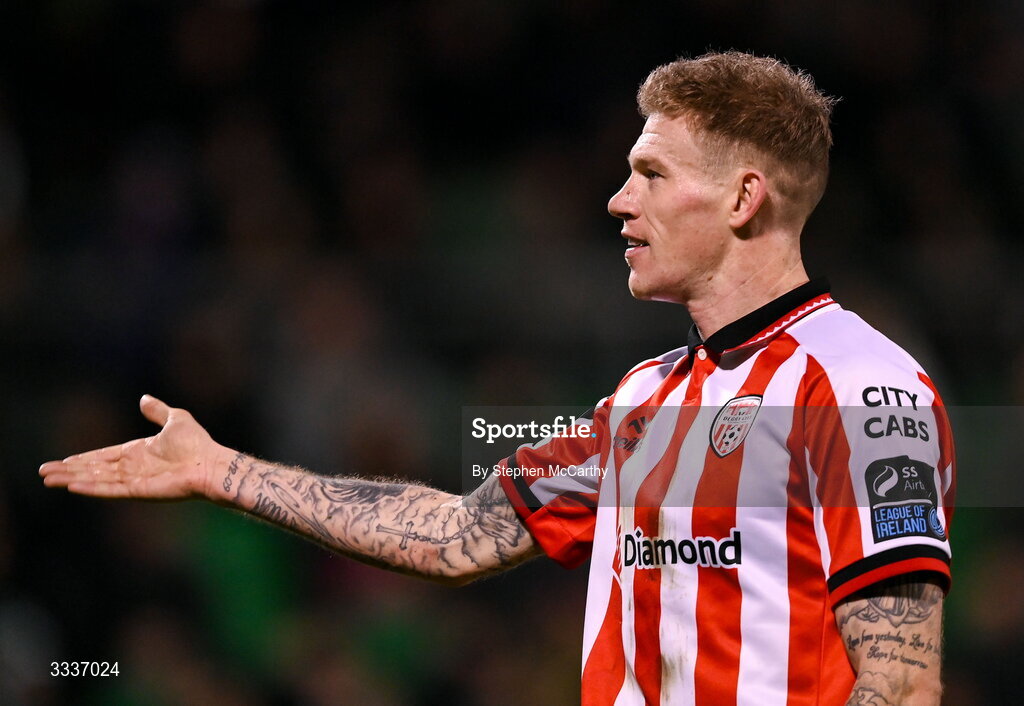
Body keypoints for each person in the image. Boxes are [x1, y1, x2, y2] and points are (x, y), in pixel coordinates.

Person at [40, 51, 954, 705]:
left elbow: (903, 682)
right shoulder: (641, 403)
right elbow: (457, 536)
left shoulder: (865, 391)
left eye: (649, 173)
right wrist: (223, 471)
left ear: (744, 198)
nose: (618, 199)